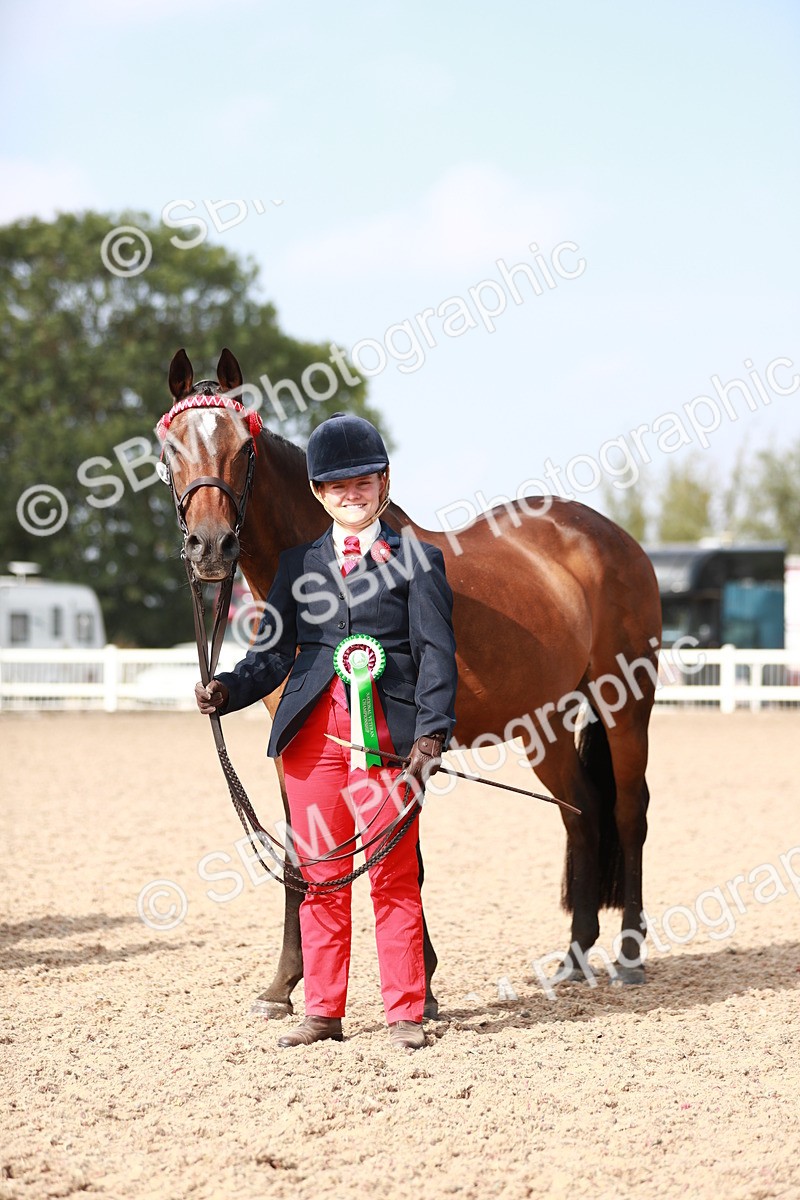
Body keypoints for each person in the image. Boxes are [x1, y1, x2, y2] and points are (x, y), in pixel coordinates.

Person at [195, 412, 457, 1051]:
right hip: (313, 739)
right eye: (337, 486)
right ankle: (323, 1010)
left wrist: (430, 736)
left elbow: (436, 654)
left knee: (393, 877)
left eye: (363, 482)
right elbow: (271, 655)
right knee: (319, 874)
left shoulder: (419, 561)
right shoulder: (297, 564)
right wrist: (229, 687)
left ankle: (405, 1011)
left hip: (389, 738)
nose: (351, 493)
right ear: (318, 492)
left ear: (384, 482)